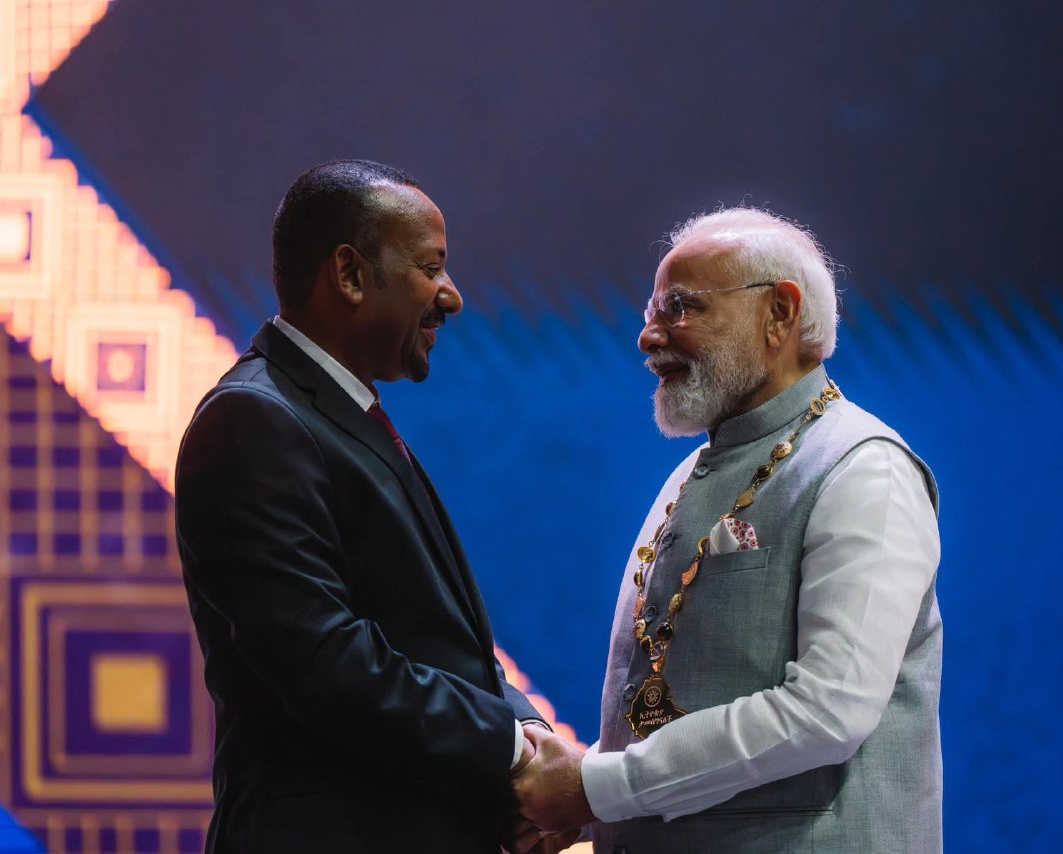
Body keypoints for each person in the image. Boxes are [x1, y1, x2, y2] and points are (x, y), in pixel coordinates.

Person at [512, 207, 943, 852]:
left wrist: (595, 787)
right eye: (651, 311)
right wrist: (586, 806)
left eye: (680, 308)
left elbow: (828, 711)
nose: (648, 337)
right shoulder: (691, 474)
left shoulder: (864, 469)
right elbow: (680, 705)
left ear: (780, 312)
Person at [176, 159, 551, 853]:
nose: (452, 295)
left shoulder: (333, 414)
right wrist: (513, 752)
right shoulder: (254, 420)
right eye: (431, 267)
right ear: (349, 274)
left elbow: (441, 646)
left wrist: (528, 731)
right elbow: (325, 661)